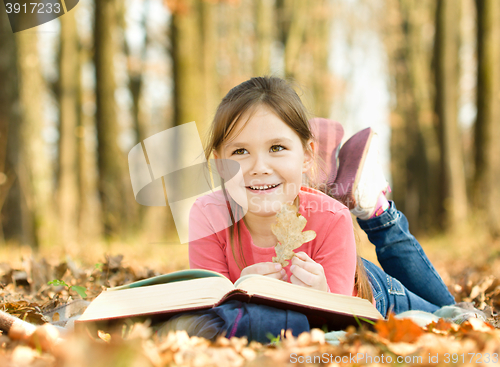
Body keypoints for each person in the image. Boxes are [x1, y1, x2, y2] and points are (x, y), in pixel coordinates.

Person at [158, 76, 455, 342]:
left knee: (451, 316)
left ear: (307, 155)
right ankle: (330, 181)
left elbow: (340, 323)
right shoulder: (207, 215)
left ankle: (377, 212)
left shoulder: (332, 218)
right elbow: (211, 306)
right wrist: (241, 290)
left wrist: (323, 295)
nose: (259, 167)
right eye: (240, 152)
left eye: (276, 148)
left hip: (368, 292)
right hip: (326, 251)